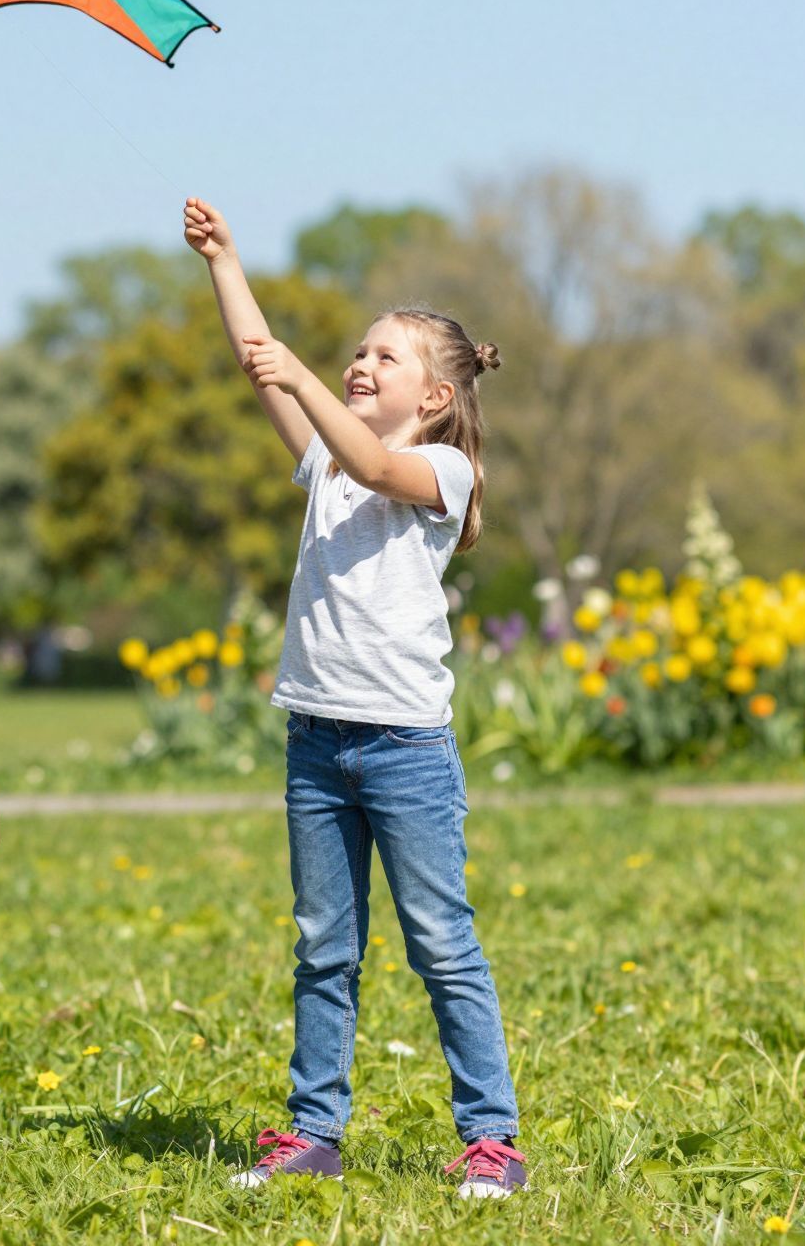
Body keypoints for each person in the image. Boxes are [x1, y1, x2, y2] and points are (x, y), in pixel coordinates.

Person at [182, 199, 528, 1200]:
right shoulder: (325, 466)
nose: (360, 364)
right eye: (357, 353)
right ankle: (313, 1131)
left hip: (404, 751)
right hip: (316, 743)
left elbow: (373, 460)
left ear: (430, 397)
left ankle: (490, 1138)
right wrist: (226, 261)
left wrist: (297, 374)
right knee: (323, 946)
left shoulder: (437, 466)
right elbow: (262, 359)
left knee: (439, 942)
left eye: (385, 357)